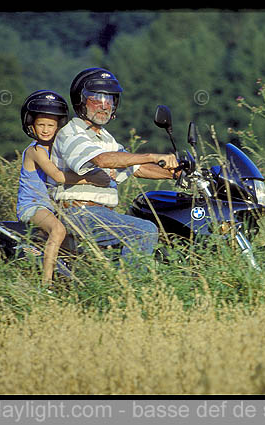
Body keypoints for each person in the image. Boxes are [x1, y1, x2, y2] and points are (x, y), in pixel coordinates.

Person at [49, 67, 179, 262]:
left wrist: (175, 173)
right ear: (81, 101)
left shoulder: (105, 138)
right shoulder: (71, 133)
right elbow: (102, 160)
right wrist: (152, 155)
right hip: (77, 213)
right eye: (96, 98)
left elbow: (137, 168)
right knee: (143, 231)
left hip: (101, 214)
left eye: (109, 99)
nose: (104, 105)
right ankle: (131, 290)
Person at [16, 90, 111, 285]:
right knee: (58, 230)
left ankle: (71, 281)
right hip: (32, 205)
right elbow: (59, 177)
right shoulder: (35, 151)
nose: (45, 130)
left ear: (58, 126)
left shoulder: (56, 149)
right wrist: (91, 179)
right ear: (31, 126)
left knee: (73, 238)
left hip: (49, 205)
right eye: (40, 124)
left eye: (50, 125)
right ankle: (46, 284)